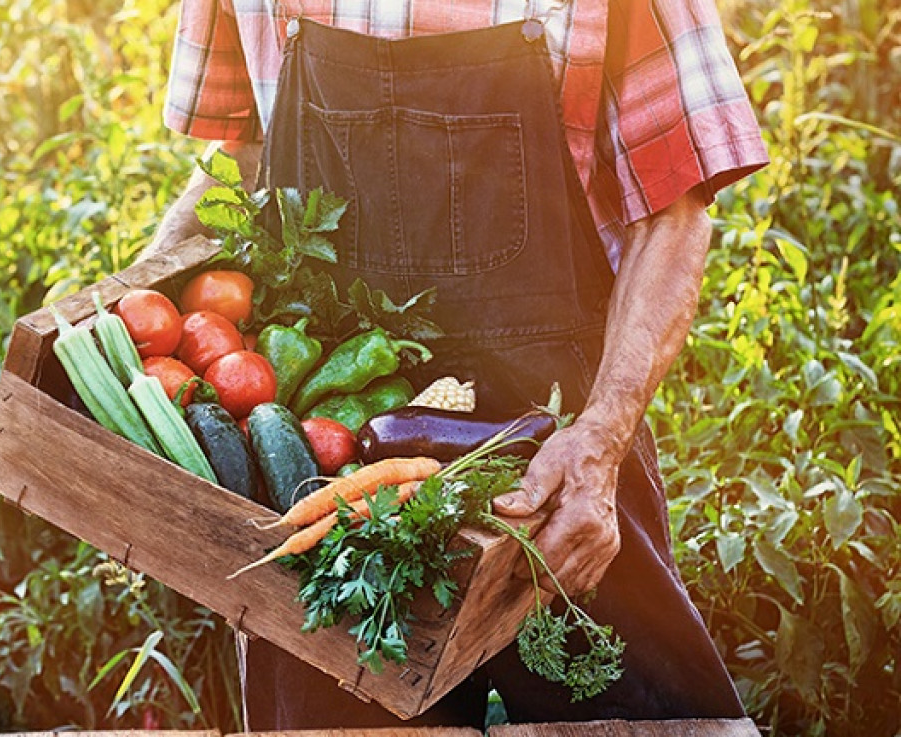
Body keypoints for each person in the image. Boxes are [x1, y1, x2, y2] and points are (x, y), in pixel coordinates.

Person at [143, 0, 768, 729]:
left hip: (553, 450)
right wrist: (132, 318)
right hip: (330, 454)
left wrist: (601, 437)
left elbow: (674, 207)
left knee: (644, 716)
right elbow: (240, 156)